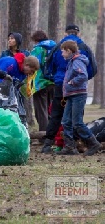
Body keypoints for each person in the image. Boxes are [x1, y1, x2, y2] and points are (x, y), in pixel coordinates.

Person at [41, 24, 96, 153]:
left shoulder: (59, 46)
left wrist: (56, 77)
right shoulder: (84, 48)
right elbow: (92, 68)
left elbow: (49, 66)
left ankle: (48, 144)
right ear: (78, 33)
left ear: (66, 33)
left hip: (61, 85)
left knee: (56, 114)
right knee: (75, 117)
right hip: (76, 89)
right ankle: (75, 143)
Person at [56, 41, 101, 155]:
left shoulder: (77, 61)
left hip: (78, 95)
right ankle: (70, 147)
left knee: (77, 122)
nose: (62, 54)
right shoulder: (72, 62)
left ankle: (93, 143)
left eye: (63, 51)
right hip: (71, 95)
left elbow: (83, 75)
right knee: (66, 121)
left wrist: (72, 82)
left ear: (69, 51)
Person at [23, 30, 56, 132]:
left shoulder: (38, 49)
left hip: (40, 83)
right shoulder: (55, 47)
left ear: (36, 40)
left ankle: (44, 134)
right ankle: (53, 133)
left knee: (41, 110)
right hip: (53, 82)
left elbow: (33, 65)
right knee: (51, 109)